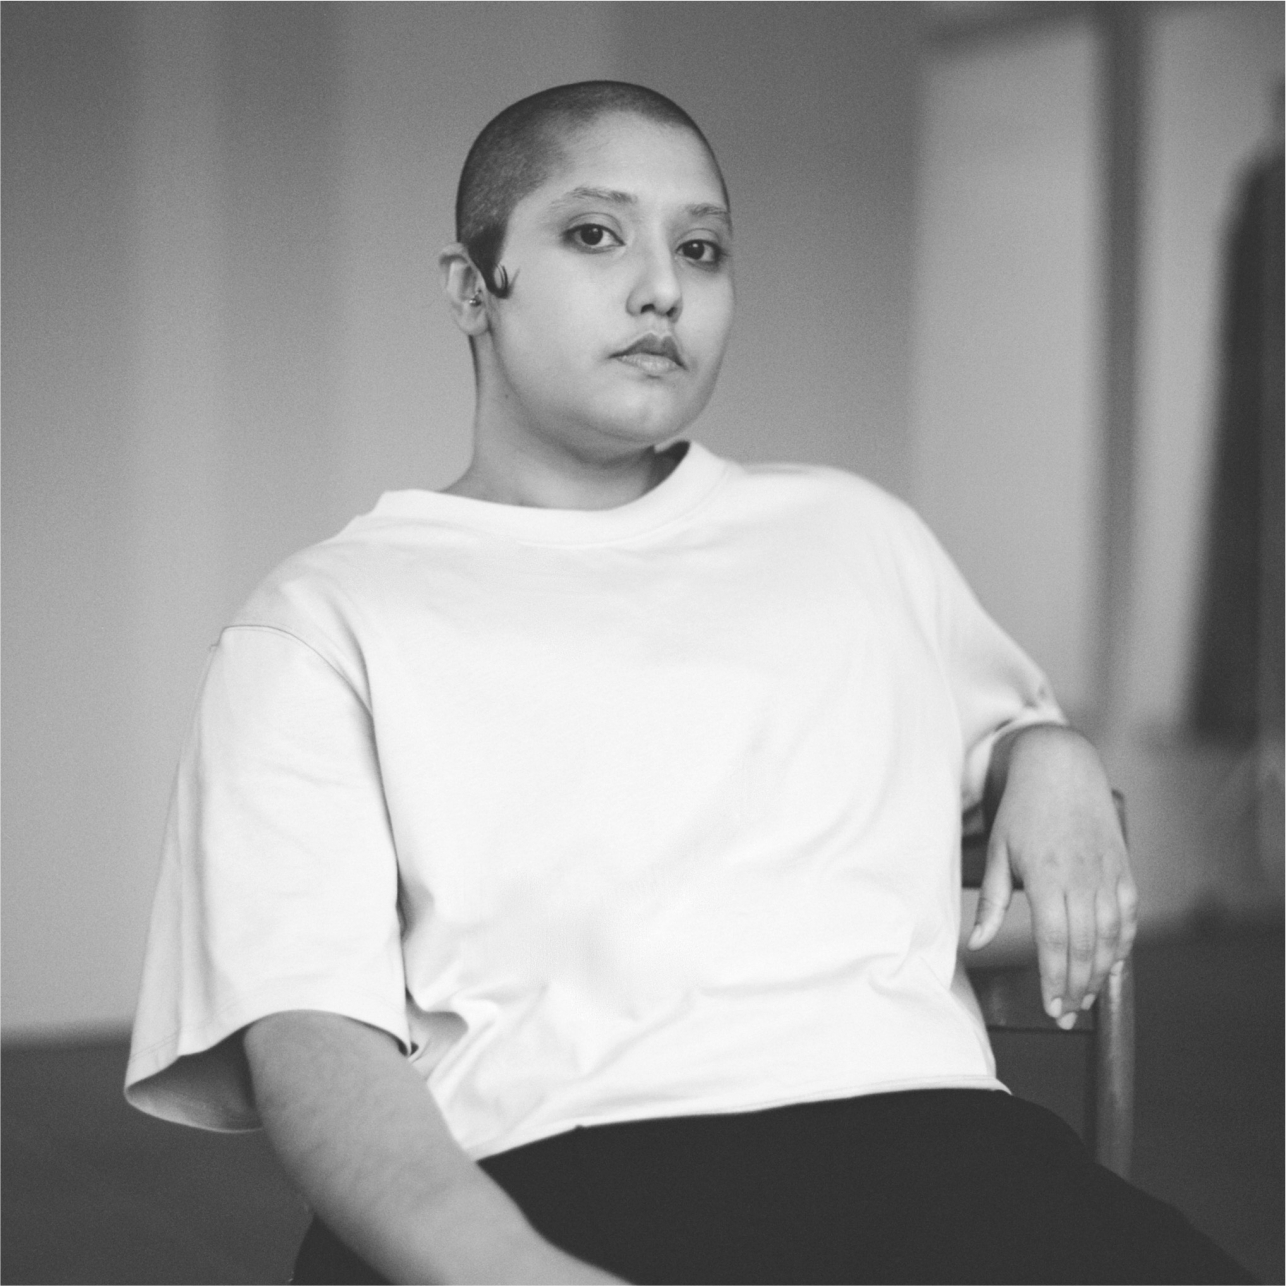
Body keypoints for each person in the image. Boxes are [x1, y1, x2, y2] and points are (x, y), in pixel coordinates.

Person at [125, 82, 1253, 1285]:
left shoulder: (850, 534)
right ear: (471, 287)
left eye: (700, 248)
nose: (661, 287)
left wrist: (1053, 751)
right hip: (536, 1171)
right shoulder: (321, 618)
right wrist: (496, 1263)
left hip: (932, 1141)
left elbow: (1003, 719)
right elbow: (309, 1033)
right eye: (595, 233)